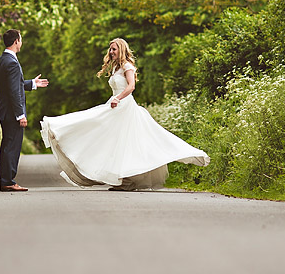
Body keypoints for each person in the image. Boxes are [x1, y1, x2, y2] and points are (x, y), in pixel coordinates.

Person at [40, 38, 209, 191]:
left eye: (114, 49)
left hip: (124, 106)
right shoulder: (115, 68)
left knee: (127, 141)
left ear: (121, 50)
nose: (111, 52)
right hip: (115, 106)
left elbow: (131, 86)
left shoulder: (127, 66)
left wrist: (118, 98)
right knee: (109, 139)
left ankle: (127, 180)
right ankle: (122, 179)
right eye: (110, 49)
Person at [0, 29, 48, 192]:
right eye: (21, 40)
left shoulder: (1, 60)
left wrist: (32, 83)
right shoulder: (12, 62)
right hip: (12, 113)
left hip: (4, 111)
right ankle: (8, 181)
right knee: (12, 146)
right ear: (16, 41)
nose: (21, 43)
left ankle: (6, 180)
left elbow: (13, 84)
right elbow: (13, 91)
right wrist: (20, 115)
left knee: (7, 146)